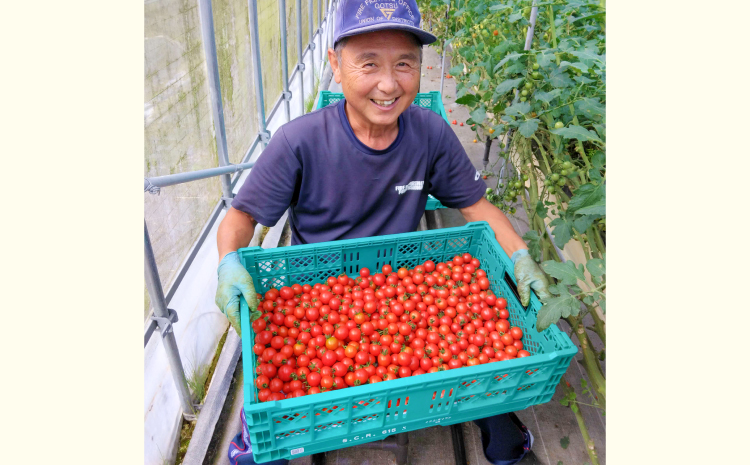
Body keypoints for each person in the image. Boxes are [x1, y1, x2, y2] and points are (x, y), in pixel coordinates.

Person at [215, 2, 550, 464]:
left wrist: (520, 255)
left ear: (420, 68)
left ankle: (503, 436)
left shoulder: (430, 133)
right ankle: (258, 437)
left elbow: (476, 206)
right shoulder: (299, 140)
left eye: (404, 64)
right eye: (368, 63)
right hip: (314, 293)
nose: (388, 84)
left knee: (485, 358)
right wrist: (229, 261)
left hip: (404, 286)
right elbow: (242, 217)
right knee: (277, 384)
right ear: (335, 64)